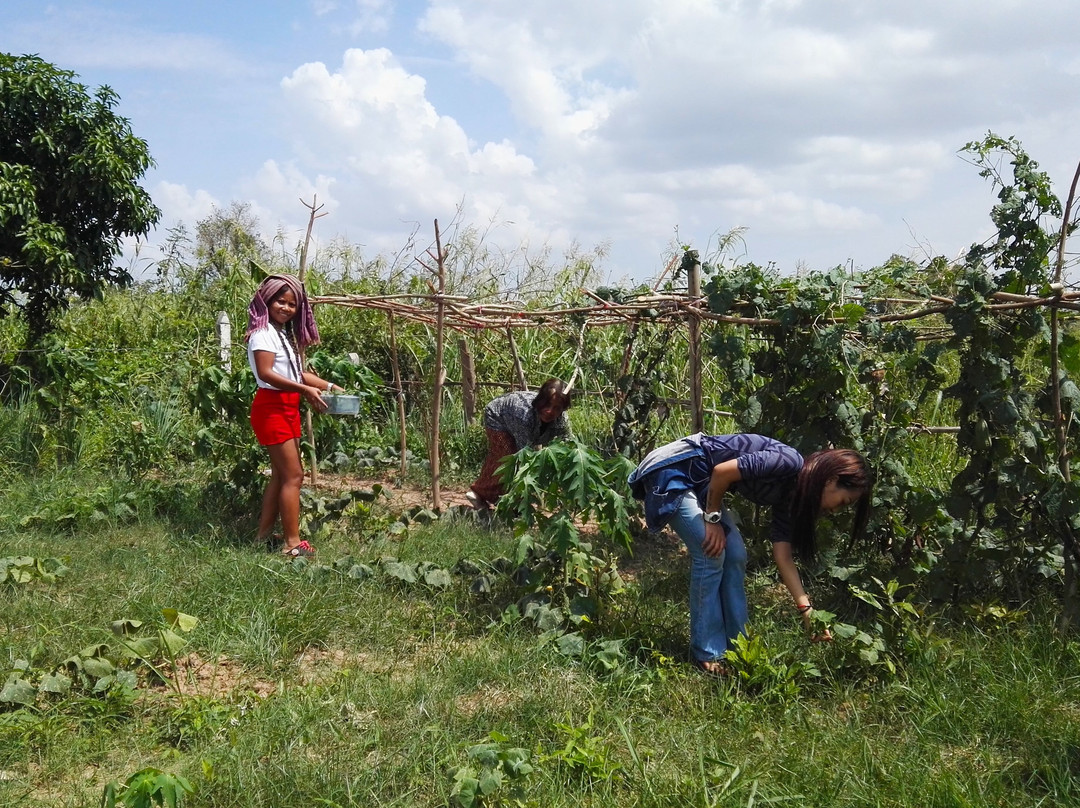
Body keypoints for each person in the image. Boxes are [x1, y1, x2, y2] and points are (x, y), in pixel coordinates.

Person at [628, 433, 871, 675]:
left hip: (703, 481)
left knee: (735, 555)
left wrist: (807, 611)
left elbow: (783, 556)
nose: (838, 511)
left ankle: (740, 647)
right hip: (675, 468)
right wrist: (712, 519)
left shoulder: (792, 493)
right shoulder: (789, 462)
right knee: (710, 552)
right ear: (831, 480)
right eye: (843, 502)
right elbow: (722, 472)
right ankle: (708, 654)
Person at [245, 274, 341, 557]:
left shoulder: (280, 334)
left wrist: (329, 386)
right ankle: (292, 544)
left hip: (286, 406)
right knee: (294, 476)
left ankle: (263, 537)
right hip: (272, 408)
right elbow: (266, 374)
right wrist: (305, 390)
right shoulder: (262, 333)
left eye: (292, 304)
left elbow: (296, 373)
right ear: (267, 300)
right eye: (280, 301)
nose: (286, 308)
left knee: (281, 475)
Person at [466, 378, 573, 508]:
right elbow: (524, 454)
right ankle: (481, 493)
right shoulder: (524, 415)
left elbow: (568, 442)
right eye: (547, 404)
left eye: (556, 408)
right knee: (508, 457)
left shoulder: (562, 419)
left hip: (516, 421)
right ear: (540, 401)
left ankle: (508, 500)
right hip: (497, 416)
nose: (550, 411)